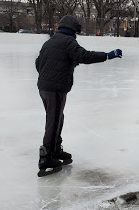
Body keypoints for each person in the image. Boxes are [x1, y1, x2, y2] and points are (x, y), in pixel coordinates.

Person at [35, 15, 122, 173]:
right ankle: (46, 156)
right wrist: (107, 55)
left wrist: (57, 69)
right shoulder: (68, 42)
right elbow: (85, 56)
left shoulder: (50, 41)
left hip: (44, 88)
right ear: (73, 30)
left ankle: (55, 149)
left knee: (57, 118)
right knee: (53, 121)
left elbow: (38, 63)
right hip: (55, 89)